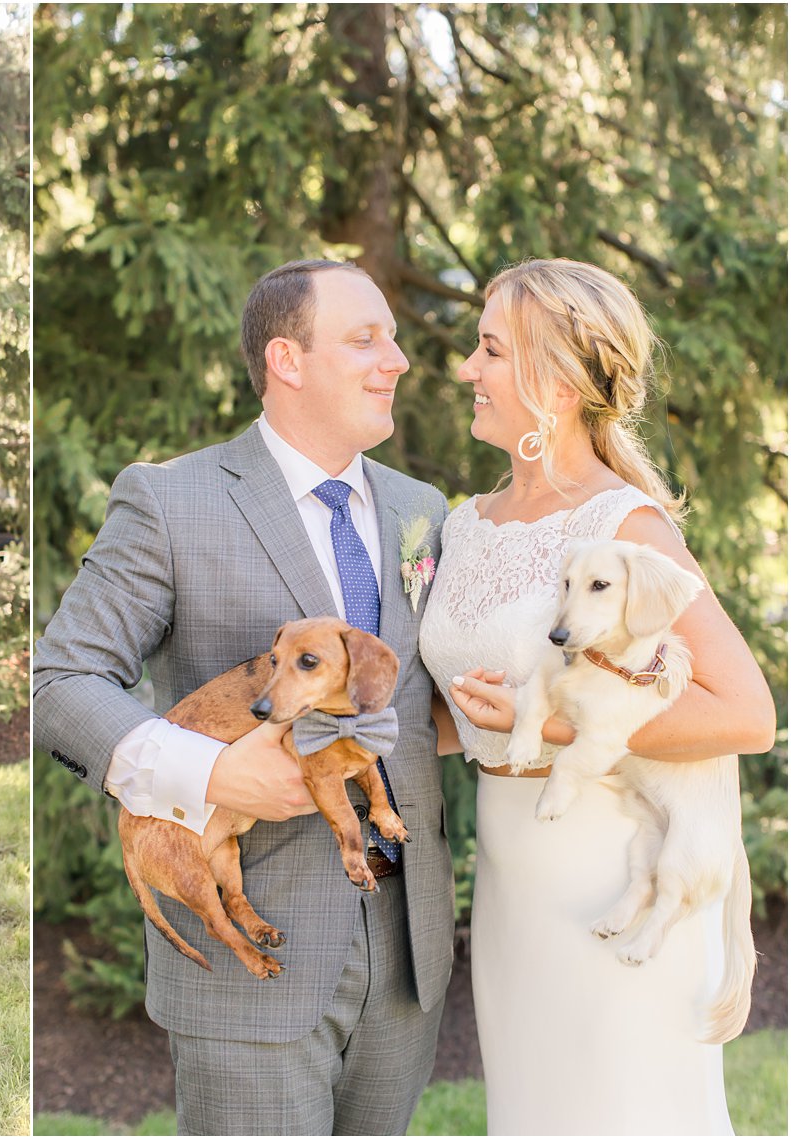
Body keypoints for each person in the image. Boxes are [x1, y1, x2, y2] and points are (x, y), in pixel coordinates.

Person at [34, 261, 455, 1134]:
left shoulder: (423, 510)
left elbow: (410, 710)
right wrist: (216, 772)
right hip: (251, 954)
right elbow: (62, 681)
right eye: (365, 338)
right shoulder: (171, 499)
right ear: (286, 359)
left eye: (394, 337)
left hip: (410, 954)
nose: (399, 360)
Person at [418, 258, 776, 1135]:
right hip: (512, 885)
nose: (466, 368)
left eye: (490, 350)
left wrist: (562, 724)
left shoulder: (623, 526)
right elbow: (458, 715)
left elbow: (748, 713)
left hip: (612, 868)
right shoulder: (464, 525)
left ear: (558, 382)